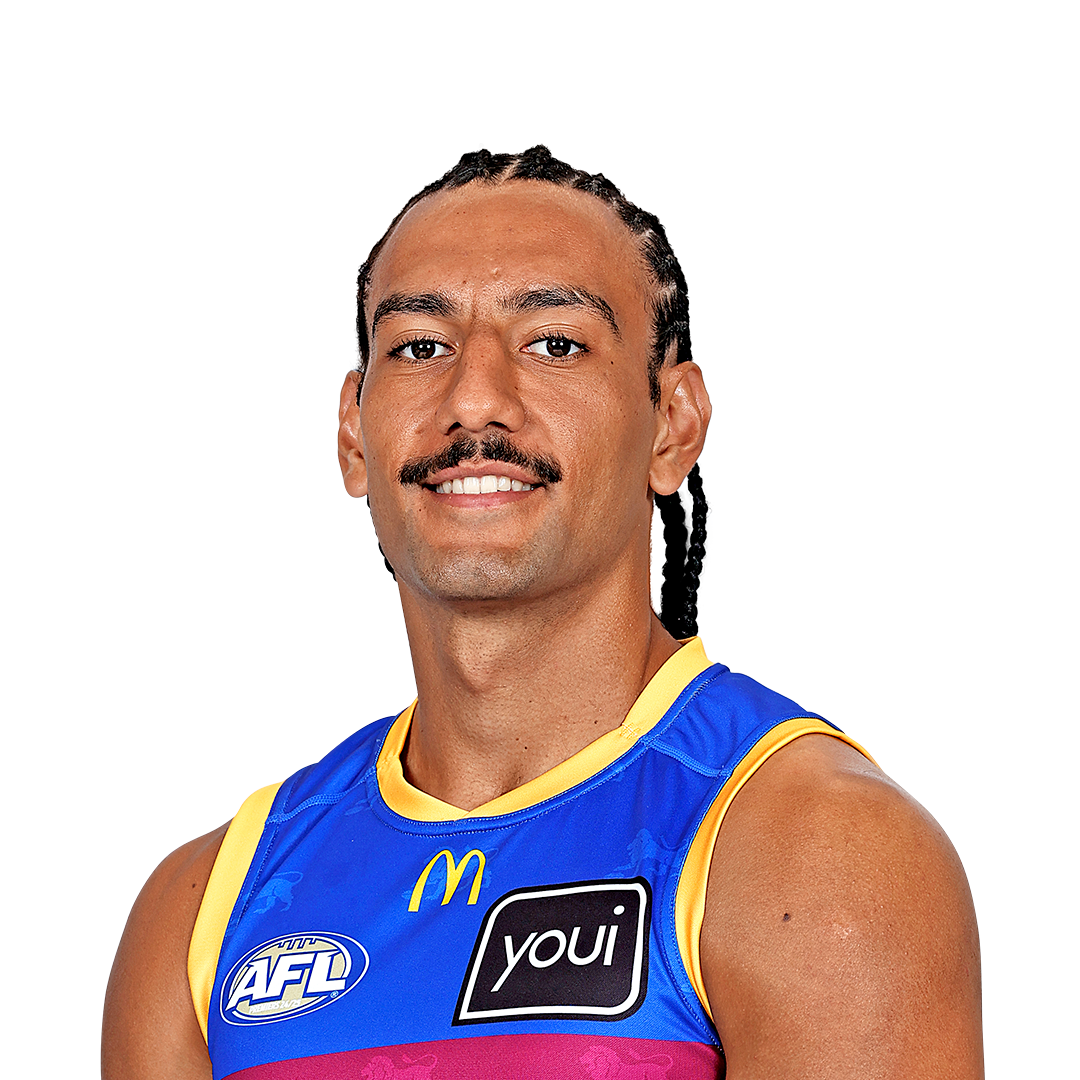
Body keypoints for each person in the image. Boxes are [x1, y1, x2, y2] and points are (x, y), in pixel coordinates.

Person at [101, 144, 983, 1079]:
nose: (475, 399)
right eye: (420, 347)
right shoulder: (206, 909)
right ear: (354, 433)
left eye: (555, 343)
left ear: (674, 423)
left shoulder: (817, 853)